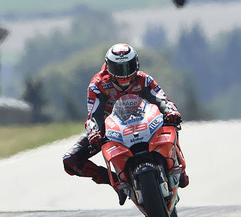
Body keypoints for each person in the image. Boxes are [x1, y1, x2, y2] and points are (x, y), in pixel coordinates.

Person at [62, 43, 188, 205]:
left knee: (171, 122)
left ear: (136, 64)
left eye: (128, 66)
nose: (124, 73)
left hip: (145, 121)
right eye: (118, 68)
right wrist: (94, 132)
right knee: (70, 160)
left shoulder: (144, 79)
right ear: (108, 67)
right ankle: (115, 182)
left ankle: (179, 168)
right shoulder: (98, 85)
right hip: (111, 129)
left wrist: (171, 111)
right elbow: (95, 115)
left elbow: (161, 99)